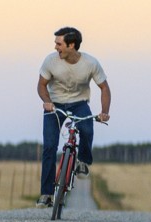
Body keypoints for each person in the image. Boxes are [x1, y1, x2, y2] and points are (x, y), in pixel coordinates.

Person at [36, 27, 112, 207]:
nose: (55, 47)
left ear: (72, 45)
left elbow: (104, 88)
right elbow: (41, 85)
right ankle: (46, 194)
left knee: (86, 128)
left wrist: (104, 112)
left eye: (59, 44)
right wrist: (47, 101)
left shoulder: (90, 63)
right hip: (55, 104)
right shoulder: (50, 61)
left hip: (79, 103)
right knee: (49, 147)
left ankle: (83, 161)